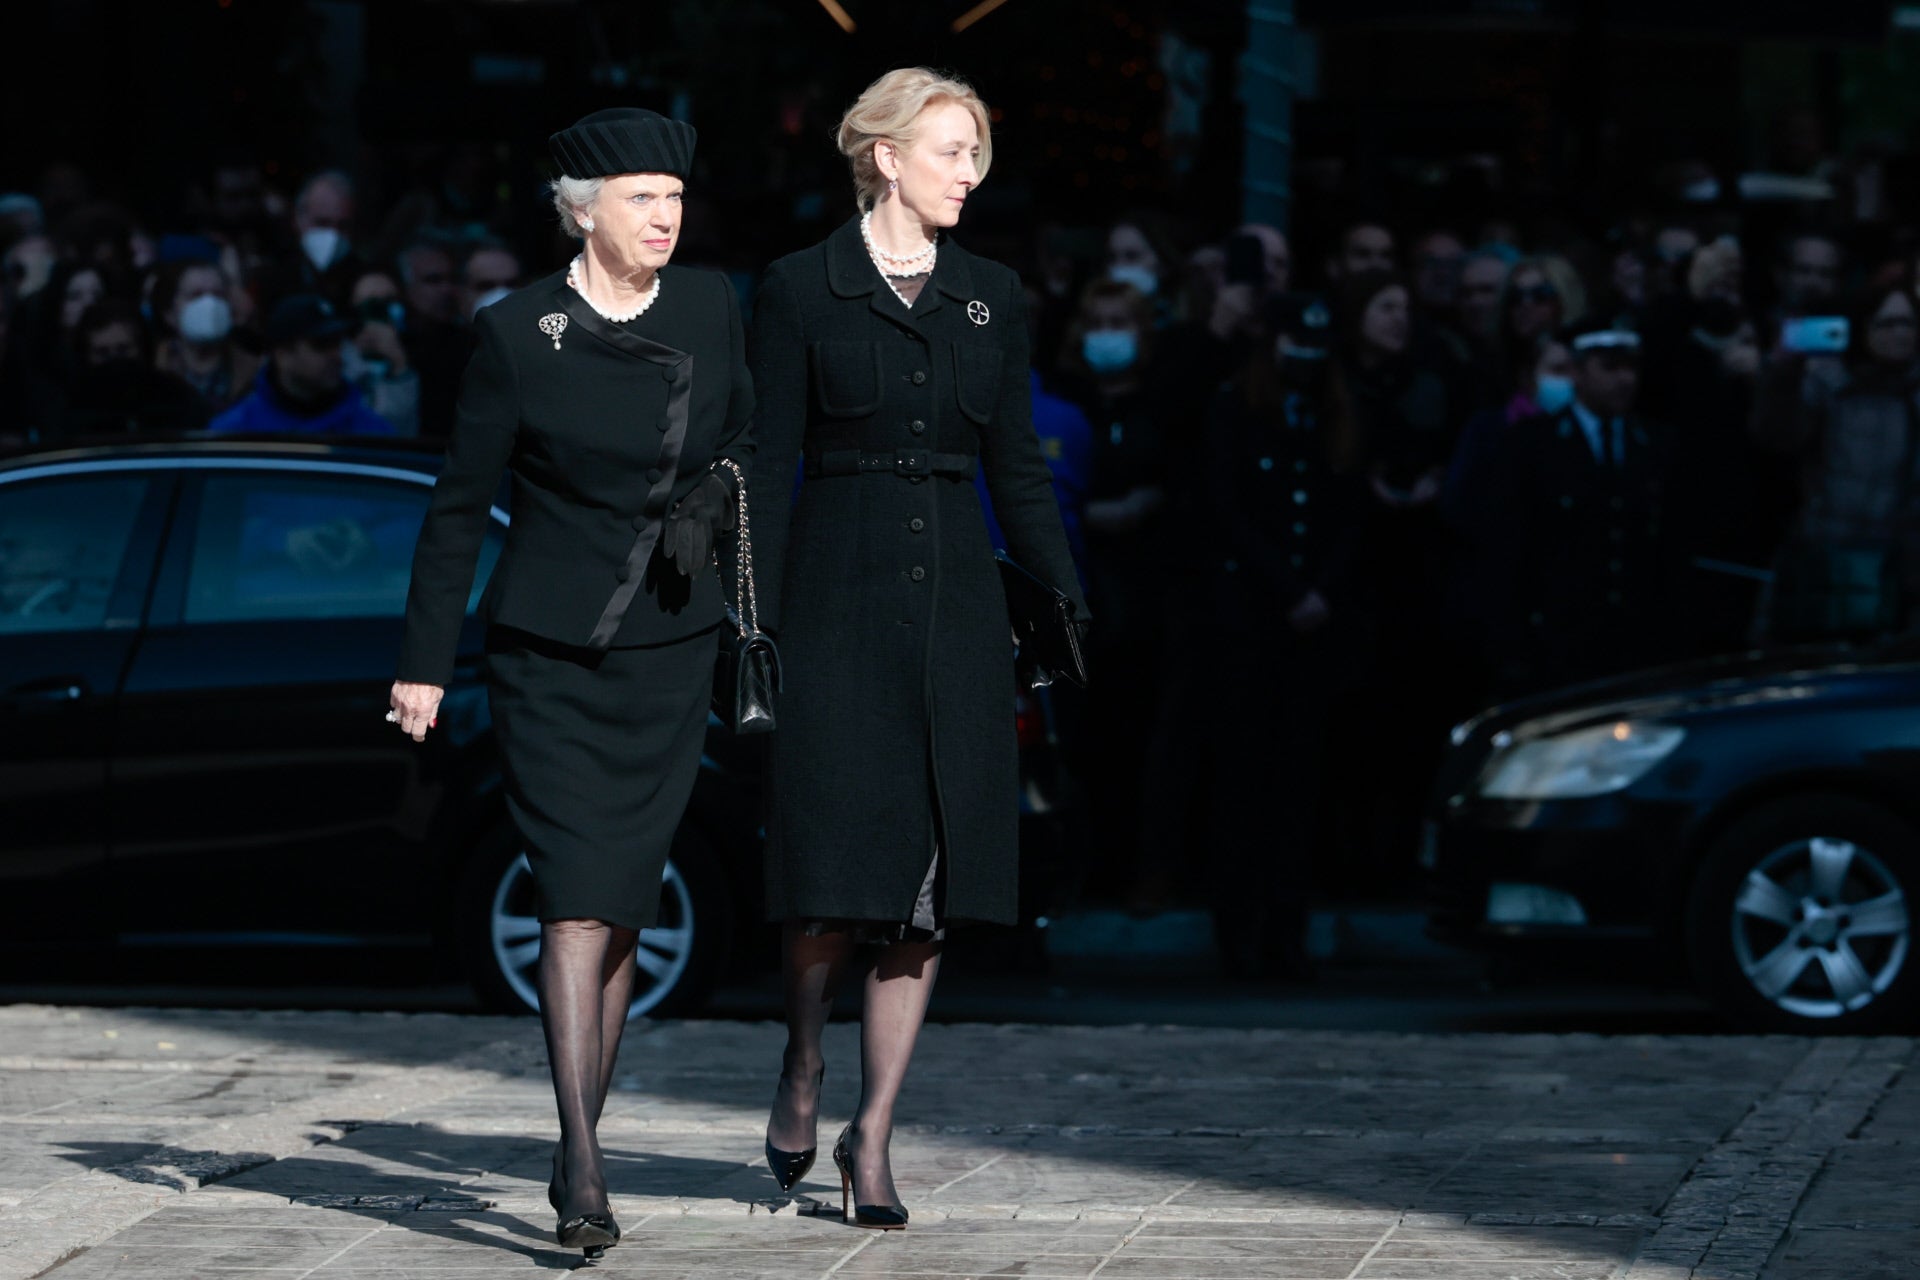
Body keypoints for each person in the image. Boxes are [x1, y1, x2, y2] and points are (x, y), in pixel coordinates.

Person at [389, 107, 753, 1261]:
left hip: (668, 642)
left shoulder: (709, 304)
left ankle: (577, 1131)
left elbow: (746, 441)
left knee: (624, 904)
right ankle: (583, 1160)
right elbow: (457, 508)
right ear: (581, 207)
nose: (665, 217)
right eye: (643, 196)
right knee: (573, 898)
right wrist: (420, 660)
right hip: (549, 652)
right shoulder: (515, 331)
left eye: (676, 198)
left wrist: (722, 515)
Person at [749, 67, 1084, 1231]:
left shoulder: (989, 296)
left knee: (928, 890)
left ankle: (873, 1131)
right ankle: (803, 1061)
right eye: (952, 149)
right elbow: (763, 465)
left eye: (978, 152)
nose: (970, 173)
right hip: (833, 596)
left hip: (952, 608)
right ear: (885, 156)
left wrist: (1063, 596)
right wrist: (756, 624)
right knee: (830, 868)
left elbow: (1020, 468)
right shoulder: (798, 289)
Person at [1206, 292, 1365, 977]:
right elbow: (1227, 511)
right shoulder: (1237, 409)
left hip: (1311, 627)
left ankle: (1286, 929)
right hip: (1254, 623)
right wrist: (1289, 589)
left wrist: (1321, 590)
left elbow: (1350, 514)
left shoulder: (1333, 415)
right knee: (1243, 779)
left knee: (1299, 785)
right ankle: (1239, 931)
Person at [1492, 321, 1668, 693]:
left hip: (1636, 643)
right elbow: (1515, 547)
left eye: (1630, 367)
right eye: (1609, 367)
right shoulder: (1532, 446)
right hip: (1561, 641)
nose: (1624, 380)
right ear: (1576, 371)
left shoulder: (1655, 443)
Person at [1752, 280, 1920, 642]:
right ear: (1863, 328)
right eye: (1886, 323)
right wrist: (1783, 372)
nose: (1899, 334)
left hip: (1901, 564)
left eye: (1907, 323)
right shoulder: (1828, 381)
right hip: (1826, 556)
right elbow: (1778, 437)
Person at [206, 294, 395, 436]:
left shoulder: (370, 432)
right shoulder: (235, 432)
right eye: (321, 344)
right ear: (282, 355)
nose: (336, 355)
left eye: (338, 344)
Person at [151, 259, 261, 417]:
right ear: (169, 313)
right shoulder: (151, 371)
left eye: (218, 295)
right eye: (196, 295)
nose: (210, 304)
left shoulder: (256, 371)